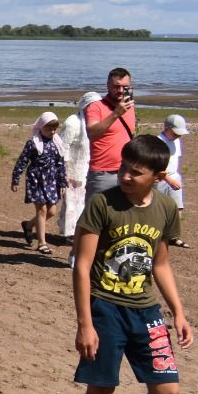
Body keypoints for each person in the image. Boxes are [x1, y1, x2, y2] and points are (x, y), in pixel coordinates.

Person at [68, 134, 192, 394]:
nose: (124, 176)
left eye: (134, 172)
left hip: (145, 310)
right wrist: (85, 323)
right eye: (123, 167)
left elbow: (161, 263)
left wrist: (179, 311)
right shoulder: (102, 204)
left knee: (167, 389)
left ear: (157, 175)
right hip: (105, 308)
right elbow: (82, 265)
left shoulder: (166, 208)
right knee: (102, 388)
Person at [12, 112, 65, 256]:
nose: (52, 132)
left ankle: (28, 225)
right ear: (41, 127)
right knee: (41, 210)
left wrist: (63, 183)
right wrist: (15, 179)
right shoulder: (33, 143)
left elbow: (60, 165)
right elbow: (22, 161)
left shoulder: (57, 143)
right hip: (36, 180)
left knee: (52, 212)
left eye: (54, 129)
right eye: (49, 128)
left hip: (51, 181)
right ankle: (42, 243)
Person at [54, 93, 101, 244]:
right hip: (72, 167)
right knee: (72, 202)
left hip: (88, 166)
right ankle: (71, 234)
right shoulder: (72, 122)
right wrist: (64, 171)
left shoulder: (96, 121)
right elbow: (62, 147)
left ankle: (72, 231)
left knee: (82, 202)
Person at [84, 67, 135, 198]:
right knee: (96, 215)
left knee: (123, 215)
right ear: (107, 85)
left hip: (126, 171)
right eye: (116, 86)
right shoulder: (96, 107)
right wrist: (116, 113)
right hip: (103, 173)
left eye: (125, 87)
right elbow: (92, 133)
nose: (120, 91)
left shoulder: (129, 107)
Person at [159, 115, 188, 222]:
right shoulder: (159, 142)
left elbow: (174, 161)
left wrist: (176, 179)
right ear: (167, 128)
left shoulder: (176, 141)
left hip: (174, 177)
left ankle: (174, 236)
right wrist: (169, 180)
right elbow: (157, 166)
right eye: (175, 133)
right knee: (161, 210)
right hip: (161, 180)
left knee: (177, 208)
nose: (178, 136)